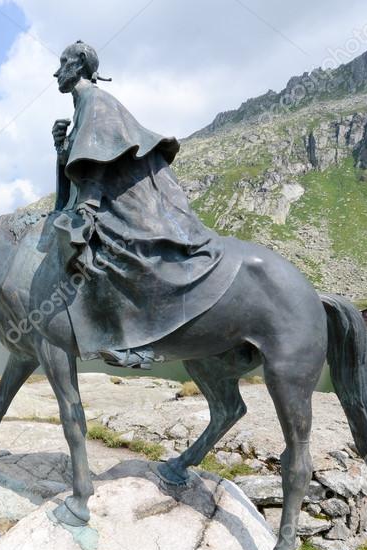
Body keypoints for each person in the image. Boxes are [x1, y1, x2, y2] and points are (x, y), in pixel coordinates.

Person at [47, 41, 238, 369]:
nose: (56, 71)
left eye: (62, 62)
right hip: (112, 194)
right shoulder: (82, 106)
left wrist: (87, 208)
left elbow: (96, 163)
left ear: (79, 65)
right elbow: (84, 160)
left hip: (132, 199)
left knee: (98, 250)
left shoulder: (96, 99)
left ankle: (127, 341)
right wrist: (62, 147)